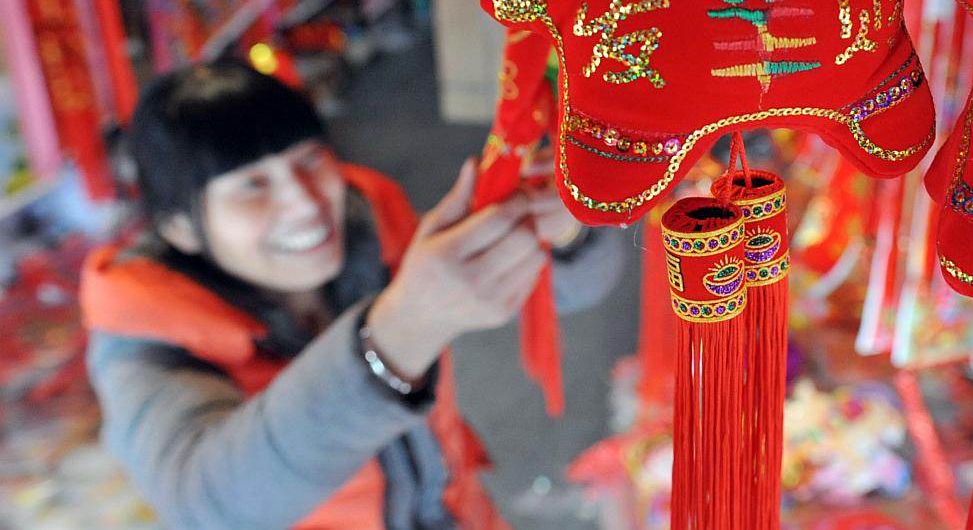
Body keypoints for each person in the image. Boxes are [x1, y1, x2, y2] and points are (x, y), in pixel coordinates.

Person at [80, 61, 622, 529]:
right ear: (180, 228)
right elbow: (207, 504)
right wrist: (401, 331)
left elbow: (567, 292)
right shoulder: (147, 337)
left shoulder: (373, 223)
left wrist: (563, 227)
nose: (304, 202)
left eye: (310, 160)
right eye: (253, 185)